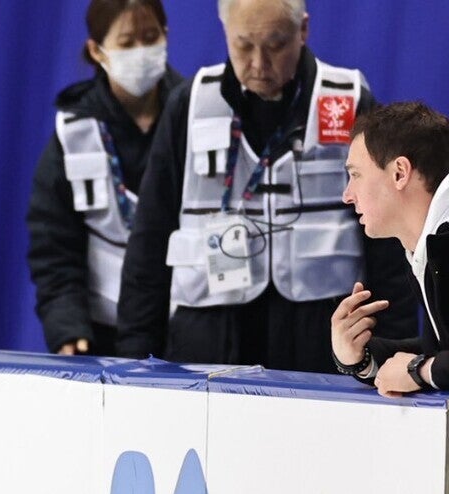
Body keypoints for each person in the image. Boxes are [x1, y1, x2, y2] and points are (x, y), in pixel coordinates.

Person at [116, 0, 419, 372]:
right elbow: (149, 238)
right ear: (225, 32)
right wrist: (133, 361)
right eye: (244, 45)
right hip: (205, 347)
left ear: (303, 31)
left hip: (320, 348)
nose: (259, 63)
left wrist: (398, 355)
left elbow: (389, 241)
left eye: (275, 45)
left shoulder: (347, 102)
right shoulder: (190, 106)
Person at [27, 0, 184, 356]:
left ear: (166, 37)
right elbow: (53, 245)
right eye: (127, 43)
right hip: (101, 335)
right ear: (96, 51)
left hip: (186, 329)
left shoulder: (195, 113)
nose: (141, 52)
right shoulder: (74, 131)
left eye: (151, 37)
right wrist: (67, 325)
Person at [331, 102, 449, 396]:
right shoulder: (432, 244)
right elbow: (439, 349)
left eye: (355, 175)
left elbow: (430, 362)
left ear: (399, 173)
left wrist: (420, 371)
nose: (347, 195)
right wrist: (360, 357)